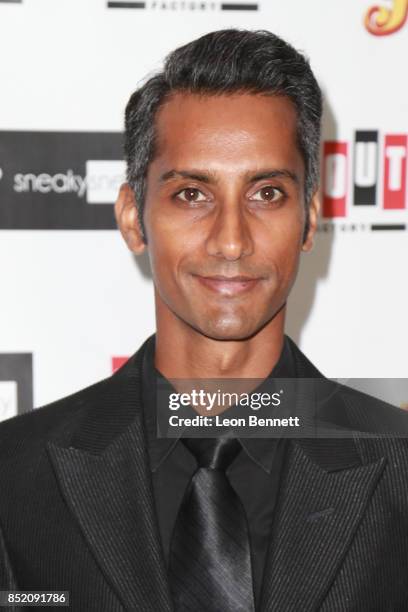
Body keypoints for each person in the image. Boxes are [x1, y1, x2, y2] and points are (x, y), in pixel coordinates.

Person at [1, 29, 408, 612]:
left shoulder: (399, 470)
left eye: (266, 193)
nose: (231, 240)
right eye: (192, 194)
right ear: (133, 218)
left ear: (309, 220)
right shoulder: (14, 478)